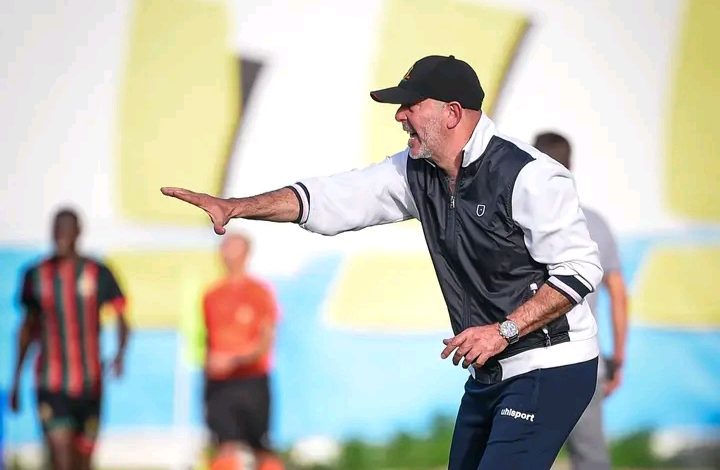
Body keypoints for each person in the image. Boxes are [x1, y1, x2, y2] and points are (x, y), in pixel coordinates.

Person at [161, 54, 603, 469]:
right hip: (490, 371)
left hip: (551, 364)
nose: (399, 116)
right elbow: (333, 198)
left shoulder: (529, 174)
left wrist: (502, 331)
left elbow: (581, 269)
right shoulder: (416, 171)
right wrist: (238, 206)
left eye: (411, 105)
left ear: (452, 113)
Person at [534, 132, 629, 470]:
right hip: (584, 362)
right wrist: (618, 358)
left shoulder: (515, 221)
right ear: (569, 166)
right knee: (591, 460)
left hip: (529, 364)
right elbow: (618, 294)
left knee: (518, 457)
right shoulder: (594, 224)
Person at [9, 208, 130, 470]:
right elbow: (27, 329)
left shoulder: (98, 272)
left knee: (82, 462)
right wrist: (16, 379)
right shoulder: (36, 275)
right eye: (57, 229)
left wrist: (120, 354)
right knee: (61, 458)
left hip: (90, 384)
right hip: (51, 384)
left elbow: (122, 317)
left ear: (78, 232)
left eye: (66, 228)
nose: (61, 235)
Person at [202, 233, 283, 470]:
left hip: (252, 380)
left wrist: (234, 360)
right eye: (224, 248)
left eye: (233, 248)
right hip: (219, 384)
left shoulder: (260, 292)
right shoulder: (211, 295)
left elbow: (265, 341)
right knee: (225, 447)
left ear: (246, 253)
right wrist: (210, 364)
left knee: (260, 448)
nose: (227, 254)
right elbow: (208, 339)